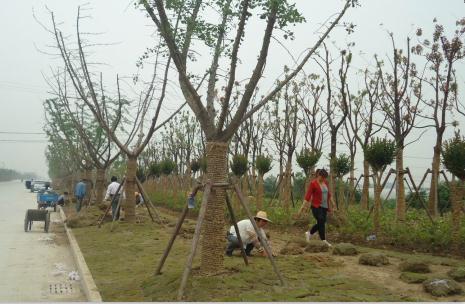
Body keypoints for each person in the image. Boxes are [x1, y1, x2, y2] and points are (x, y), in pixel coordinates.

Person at [298, 168, 333, 247]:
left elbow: (329, 194)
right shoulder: (313, 184)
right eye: (322, 177)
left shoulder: (326, 183)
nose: (323, 179)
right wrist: (302, 208)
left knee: (322, 222)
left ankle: (309, 233)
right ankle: (323, 240)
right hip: (316, 206)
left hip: (324, 207)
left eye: (325, 178)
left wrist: (332, 203)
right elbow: (307, 197)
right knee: (321, 220)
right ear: (319, 175)